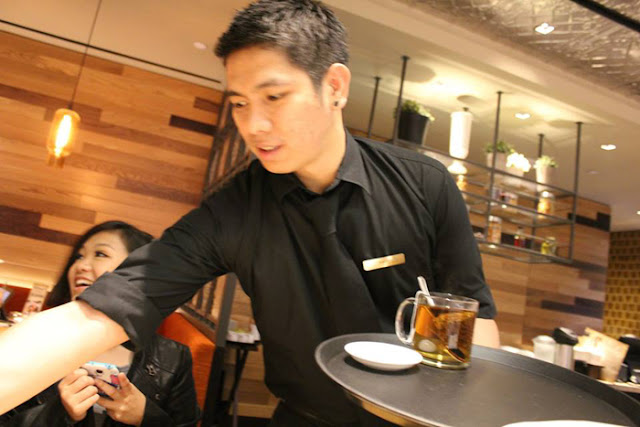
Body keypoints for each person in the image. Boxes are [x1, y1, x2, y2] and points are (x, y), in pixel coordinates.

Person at [0, 1, 499, 424]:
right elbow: (106, 309)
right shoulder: (236, 209)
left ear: (335, 86)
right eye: (239, 103)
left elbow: (475, 323)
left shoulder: (423, 184)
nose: (253, 125)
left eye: (274, 97)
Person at [0, 221, 200, 427]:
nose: (80, 266)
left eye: (100, 254)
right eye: (79, 256)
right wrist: (60, 414)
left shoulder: (173, 358)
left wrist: (146, 416)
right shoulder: (38, 341)